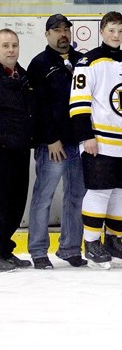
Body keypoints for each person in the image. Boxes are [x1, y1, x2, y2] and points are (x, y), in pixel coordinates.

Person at [69, 12, 122, 269]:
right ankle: (91, 243)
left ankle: (113, 240)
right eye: (111, 30)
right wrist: (86, 136)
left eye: (120, 31)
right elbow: (78, 103)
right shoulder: (88, 61)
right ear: (102, 31)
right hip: (99, 140)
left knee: (121, 192)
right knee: (99, 192)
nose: (116, 35)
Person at [26, 14, 86, 270]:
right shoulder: (39, 64)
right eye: (57, 30)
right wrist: (51, 139)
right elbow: (37, 106)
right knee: (44, 196)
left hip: (79, 143)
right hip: (52, 145)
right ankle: (39, 251)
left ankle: (71, 248)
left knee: (77, 196)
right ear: (47, 34)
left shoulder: (81, 61)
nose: (63, 34)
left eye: (66, 30)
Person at [0, 29, 35, 271]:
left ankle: (5, 249)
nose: (11, 50)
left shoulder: (22, 75)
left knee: (15, 203)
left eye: (14, 45)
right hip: (2, 151)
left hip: (20, 149)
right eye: (5, 46)